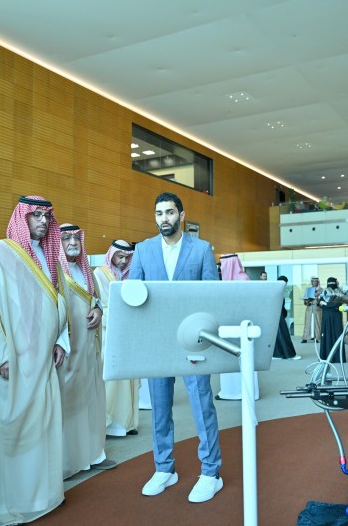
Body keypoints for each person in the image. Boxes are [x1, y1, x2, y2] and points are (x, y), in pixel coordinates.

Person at [0, 195, 71, 525]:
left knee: (43, 423)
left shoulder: (50, 256)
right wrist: (0, 354)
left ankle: (42, 495)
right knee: (15, 427)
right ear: (22, 217)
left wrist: (60, 340)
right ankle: (11, 502)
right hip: (14, 357)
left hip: (44, 356)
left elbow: (58, 301)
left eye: (47, 216)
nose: (43, 221)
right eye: (36, 215)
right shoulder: (1, 253)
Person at [127, 192, 224, 503]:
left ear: (181, 216)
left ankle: (211, 472)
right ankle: (164, 468)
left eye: (169, 212)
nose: (164, 218)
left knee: (202, 405)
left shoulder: (201, 249)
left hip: (193, 340)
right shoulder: (143, 250)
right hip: (157, 341)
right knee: (159, 408)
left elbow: (212, 297)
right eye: (159, 213)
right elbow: (132, 296)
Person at [56, 223, 116, 477]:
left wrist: (98, 310)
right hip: (68, 348)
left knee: (91, 399)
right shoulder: (52, 271)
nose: (72, 242)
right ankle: (68, 462)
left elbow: (96, 300)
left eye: (76, 238)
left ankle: (94, 454)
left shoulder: (86, 271)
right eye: (66, 238)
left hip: (90, 347)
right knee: (68, 403)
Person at [93, 240, 140, 437]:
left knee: (129, 379)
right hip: (109, 335)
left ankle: (127, 424)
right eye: (120, 257)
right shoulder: (99, 274)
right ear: (111, 255)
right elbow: (101, 305)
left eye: (127, 258)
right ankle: (108, 424)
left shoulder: (130, 276)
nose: (123, 261)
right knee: (112, 380)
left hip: (128, 335)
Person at [215, 254, 260, 401]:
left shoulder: (243, 279)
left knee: (244, 358)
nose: (222, 268)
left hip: (241, 324)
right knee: (228, 357)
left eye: (224, 265)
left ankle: (246, 392)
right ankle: (229, 392)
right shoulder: (224, 281)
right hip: (227, 323)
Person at [318, 277, 346, 363]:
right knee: (328, 335)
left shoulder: (339, 292)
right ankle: (330, 357)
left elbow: (338, 303)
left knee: (336, 335)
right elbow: (320, 303)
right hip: (331, 316)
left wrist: (326, 304)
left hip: (332, 316)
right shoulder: (325, 291)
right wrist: (330, 305)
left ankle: (334, 358)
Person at [273, 276, 299, 360]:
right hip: (278, 316)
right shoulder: (277, 291)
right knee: (284, 335)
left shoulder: (276, 290)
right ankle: (289, 354)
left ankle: (278, 354)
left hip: (277, 315)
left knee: (278, 335)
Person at [301, 277, 323, 343]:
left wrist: (317, 298)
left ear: (318, 282)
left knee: (318, 323)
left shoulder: (321, 290)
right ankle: (305, 337)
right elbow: (305, 299)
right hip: (309, 308)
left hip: (317, 308)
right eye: (312, 281)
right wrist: (307, 301)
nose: (314, 282)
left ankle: (317, 337)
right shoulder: (309, 290)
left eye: (315, 281)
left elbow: (323, 299)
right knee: (308, 323)